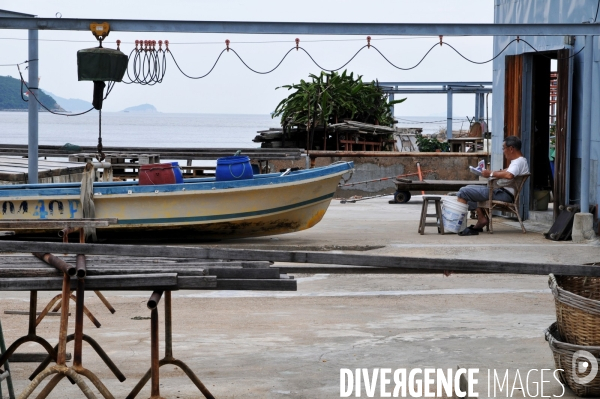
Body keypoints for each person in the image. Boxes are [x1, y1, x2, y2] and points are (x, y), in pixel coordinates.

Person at [456, 135, 529, 236]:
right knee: (467, 189)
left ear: (511, 148)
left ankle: (459, 226)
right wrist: (487, 172)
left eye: (504, 148)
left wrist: (490, 174)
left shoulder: (518, 162)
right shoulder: (521, 161)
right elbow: (506, 171)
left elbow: (509, 175)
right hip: (501, 192)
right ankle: (481, 219)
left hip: (503, 194)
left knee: (463, 192)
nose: (503, 151)